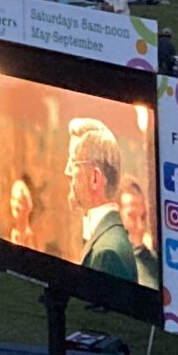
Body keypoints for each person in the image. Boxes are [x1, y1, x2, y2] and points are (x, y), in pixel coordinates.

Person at [67, 119, 136, 281]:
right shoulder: (107, 237)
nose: (66, 172)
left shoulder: (107, 254)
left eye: (72, 163)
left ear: (95, 178)